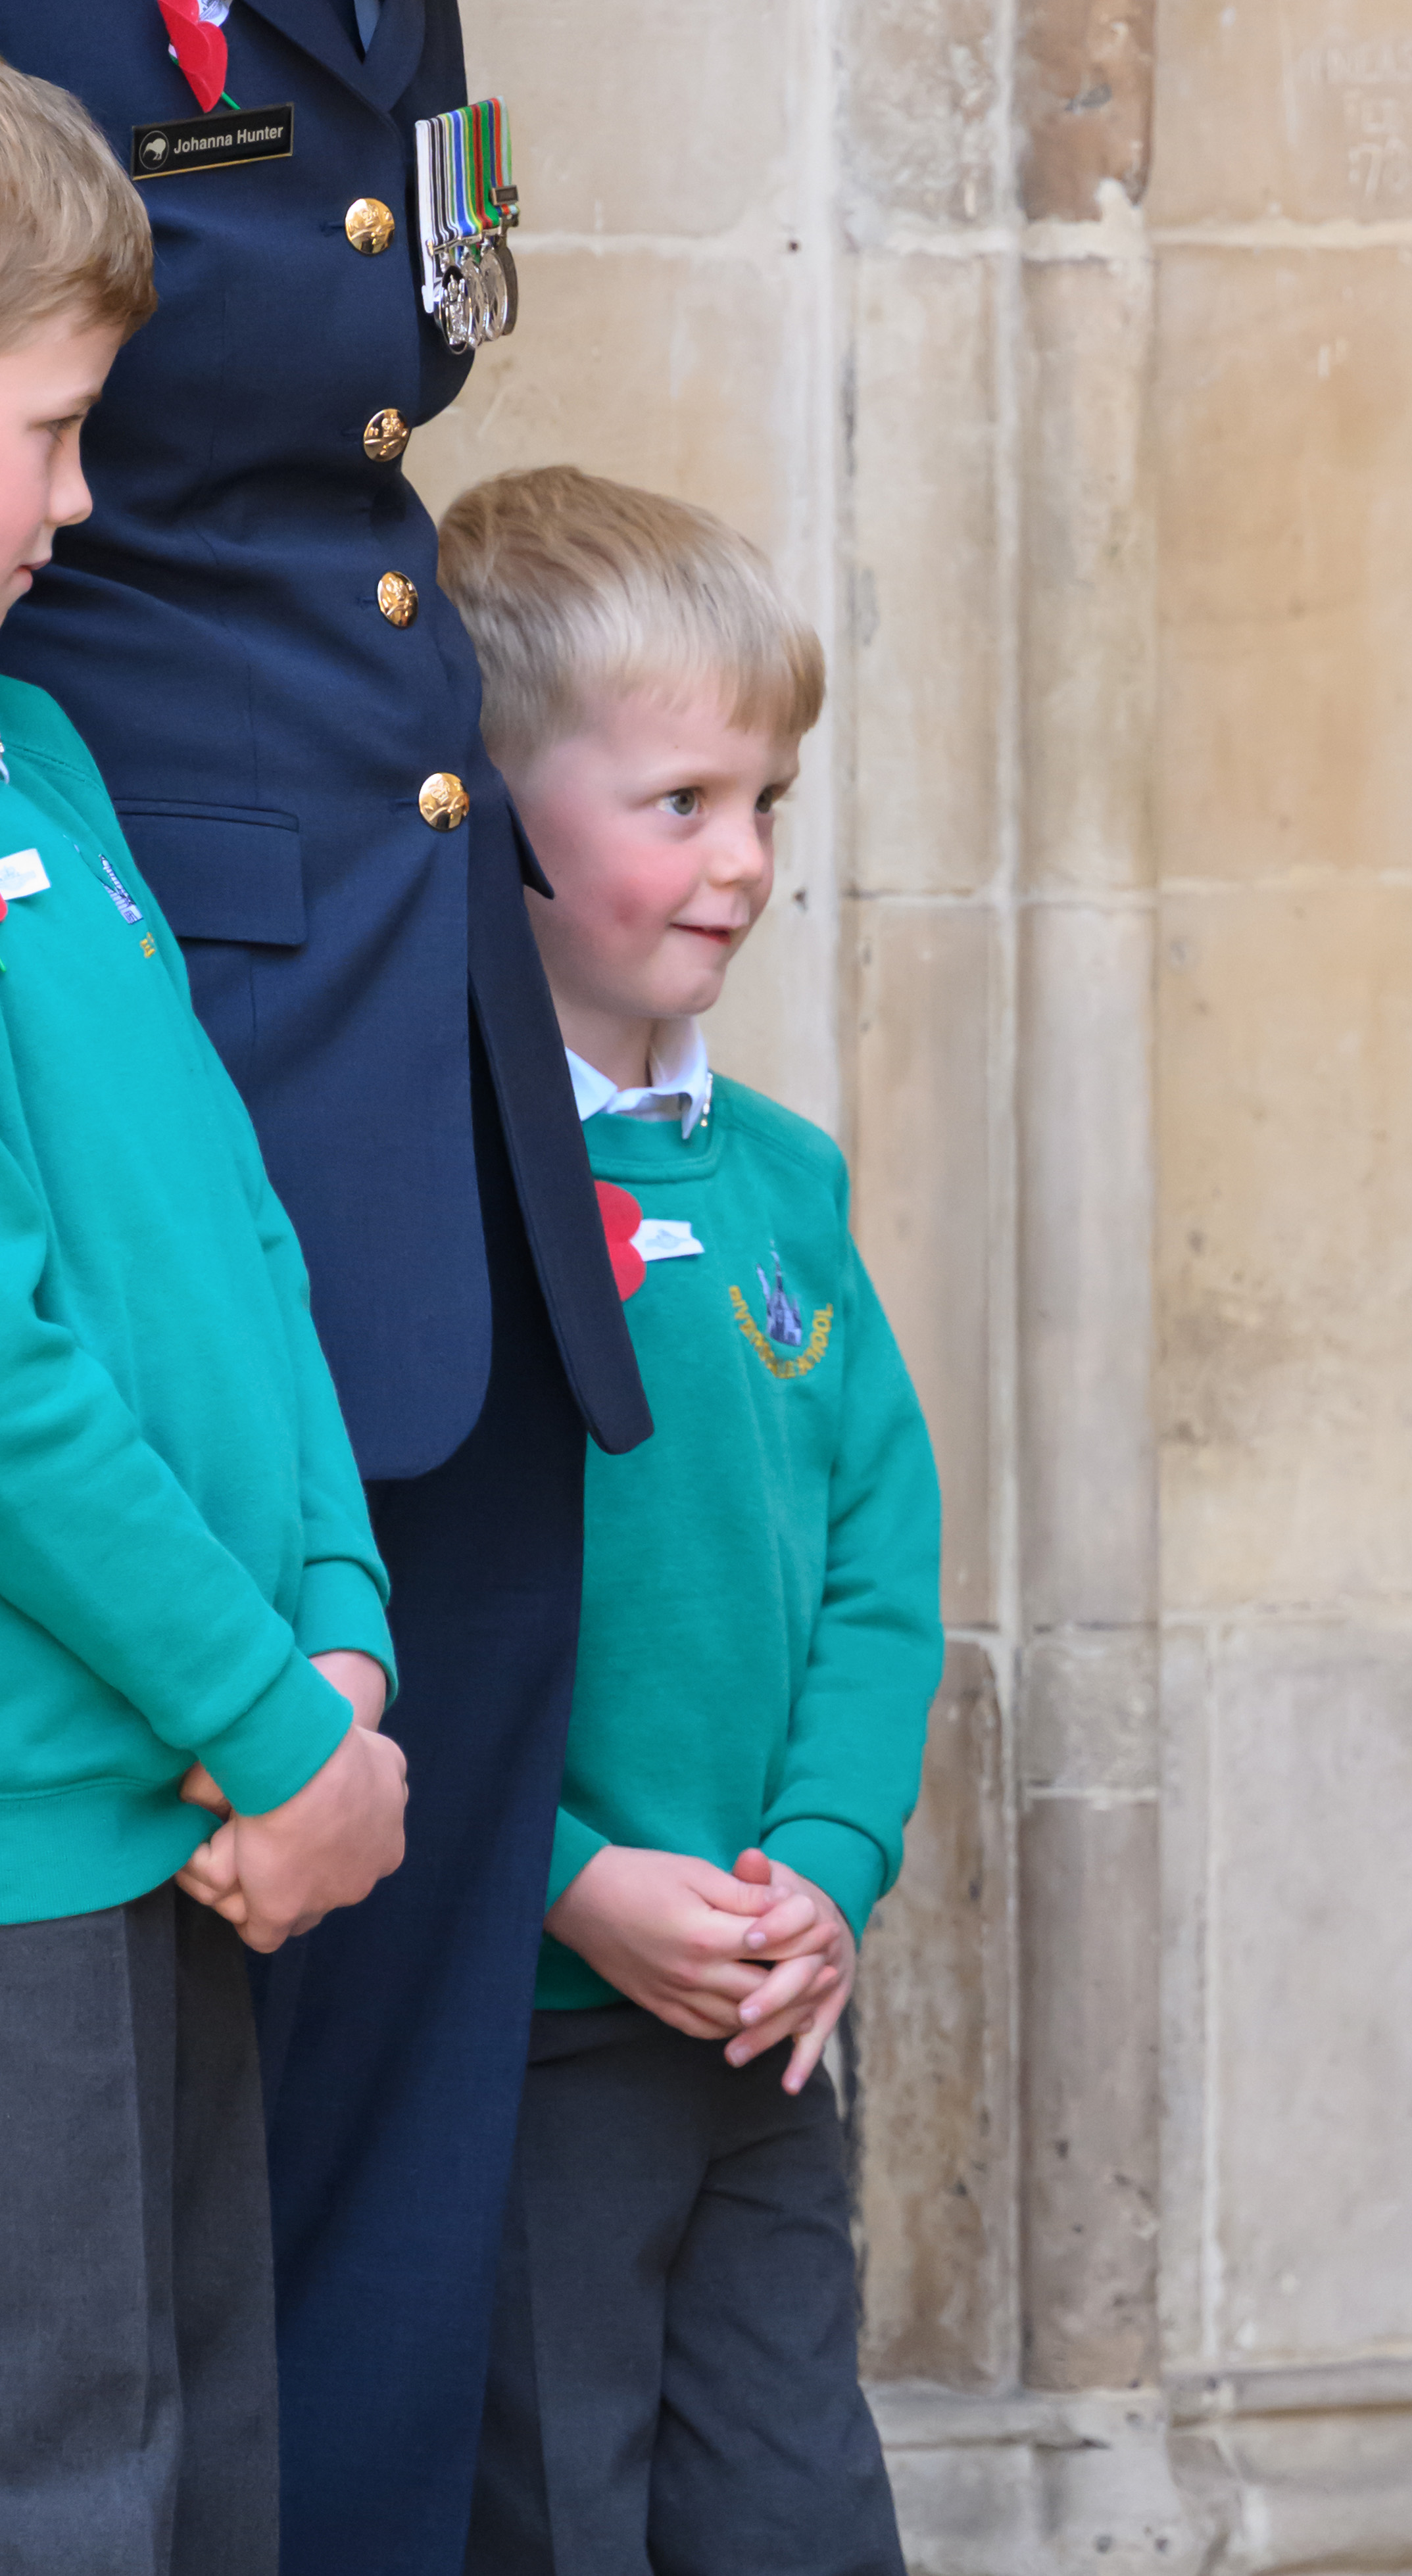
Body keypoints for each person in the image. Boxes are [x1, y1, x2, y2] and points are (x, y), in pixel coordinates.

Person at [0, 15, 651, 2570]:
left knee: (386, 2156)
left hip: (407, 1081)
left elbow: (429, 315)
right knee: (106, 2320)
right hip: (176, 1013)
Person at [433, 464, 938, 2572]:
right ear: (489, 813)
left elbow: (878, 1579)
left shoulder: (788, 1182)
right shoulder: (433, 1197)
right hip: (530, 2029)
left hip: (764, 2021)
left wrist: (822, 1871)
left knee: (795, 2509)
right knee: (557, 2514)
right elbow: (414, 1633)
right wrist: (565, 1887)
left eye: (769, 804)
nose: (740, 863)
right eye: (678, 806)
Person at [0, 59, 410, 2573]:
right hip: (51, 1825)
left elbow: (236, 1253)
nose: (75, 506)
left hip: (198, 1795)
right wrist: (273, 1724)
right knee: (70, 2485)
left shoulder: (43, 745)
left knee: (203, 2477)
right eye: (44, 431)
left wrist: (338, 1645)